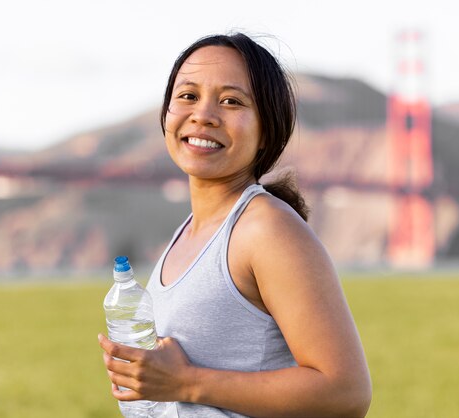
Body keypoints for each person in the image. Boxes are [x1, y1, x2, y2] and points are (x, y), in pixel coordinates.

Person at [99, 32, 372, 417]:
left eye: (231, 101)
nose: (203, 114)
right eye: (188, 96)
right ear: (166, 115)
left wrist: (186, 381)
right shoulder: (190, 232)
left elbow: (346, 392)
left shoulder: (267, 228)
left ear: (266, 132)